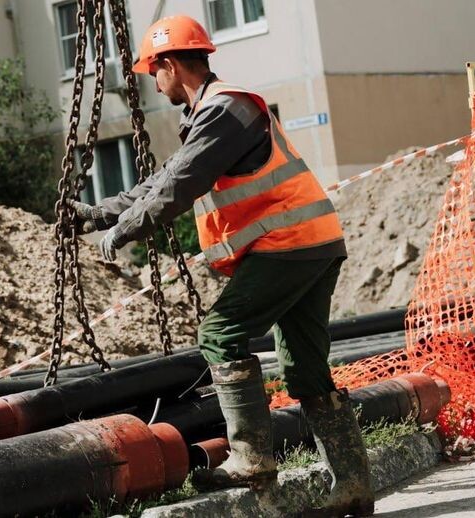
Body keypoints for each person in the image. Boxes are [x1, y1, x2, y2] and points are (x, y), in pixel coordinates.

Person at [69, 15, 373, 516]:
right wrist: (97, 214)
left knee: (219, 332)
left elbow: (179, 184)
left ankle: (252, 456)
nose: (154, 81)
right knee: (305, 369)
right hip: (313, 243)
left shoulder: (224, 109)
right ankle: (354, 488)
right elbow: (165, 178)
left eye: (153, 70)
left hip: (288, 243)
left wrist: (126, 230)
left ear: (169, 64)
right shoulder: (214, 111)